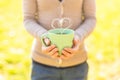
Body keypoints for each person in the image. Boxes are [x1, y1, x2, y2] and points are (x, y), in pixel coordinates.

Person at [23, 0, 96, 80]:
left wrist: (78, 37)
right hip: (42, 64)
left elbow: (90, 18)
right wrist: (44, 37)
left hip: (77, 64)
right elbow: (28, 19)